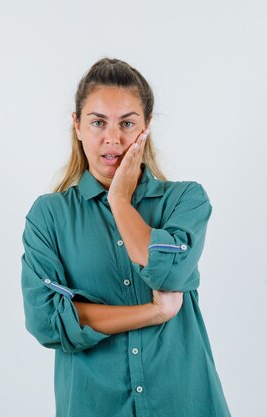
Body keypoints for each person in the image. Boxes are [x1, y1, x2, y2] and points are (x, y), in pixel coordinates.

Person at [20, 57, 232, 417]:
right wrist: (150, 313)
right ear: (78, 126)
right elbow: (47, 321)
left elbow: (166, 271)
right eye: (98, 122)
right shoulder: (49, 216)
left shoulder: (184, 200)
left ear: (146, 127)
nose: (112, 138)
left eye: (127, 123)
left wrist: (119, 200)